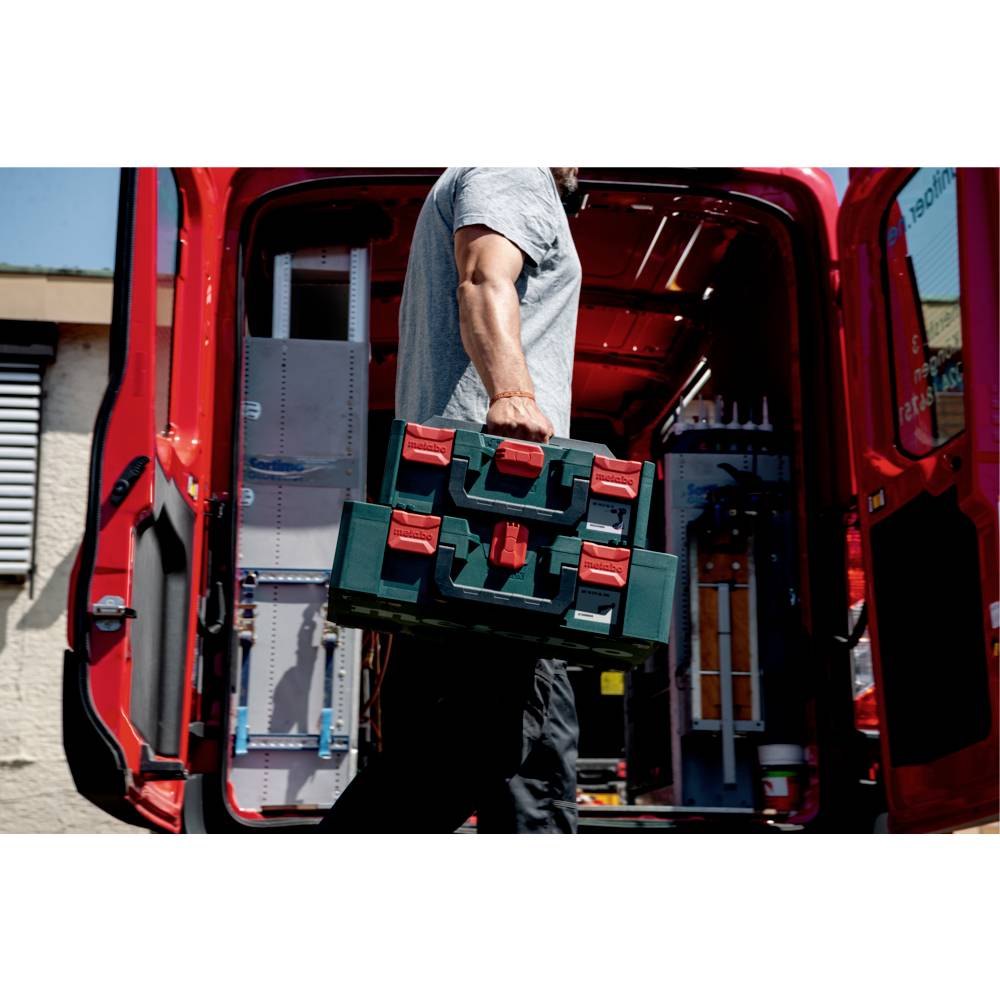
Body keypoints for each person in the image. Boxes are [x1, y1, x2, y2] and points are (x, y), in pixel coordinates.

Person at [316, 168, 583, 833]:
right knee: (483, 742)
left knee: (516, 745)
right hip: (494, 504)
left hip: (473, 510)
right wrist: (512, 390)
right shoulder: (512, 165)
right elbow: (483, 275)